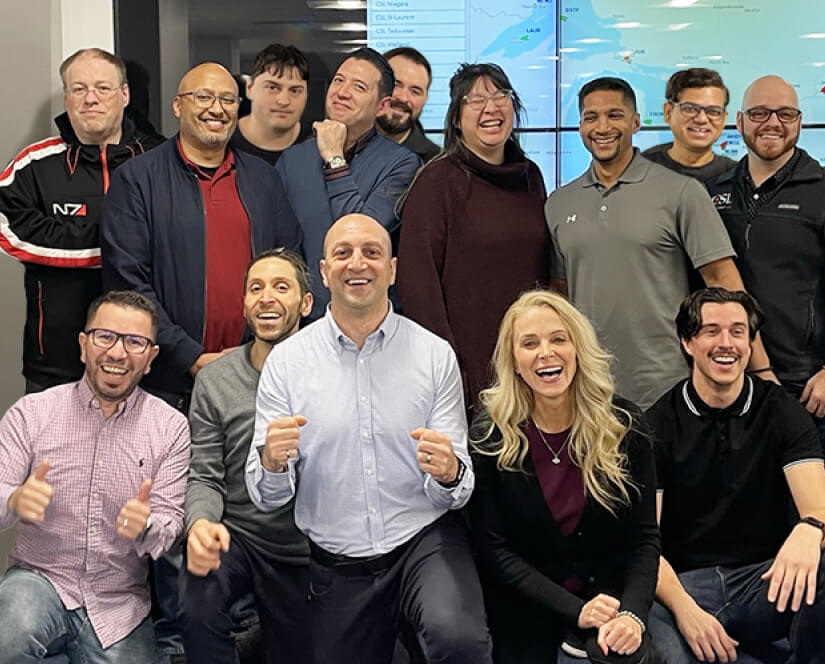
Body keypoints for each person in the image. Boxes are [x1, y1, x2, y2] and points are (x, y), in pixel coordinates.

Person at [246, 214, 491, 663]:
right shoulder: (286, 363)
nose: (357, 263)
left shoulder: (434, 355)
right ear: (324, 273)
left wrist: (450, 472)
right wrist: (272, 464)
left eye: (372, 253)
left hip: (423, 541)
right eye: (343, 253)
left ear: (392, 270)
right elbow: (267, 498)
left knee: (458, 638)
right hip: (337, 559)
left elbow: (457, 491)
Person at [647, 288, 825, 664]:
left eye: (737, 331)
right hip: (684, 587)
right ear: (687, 342)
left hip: (765, 582)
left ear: (750, 344)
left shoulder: (782, 412)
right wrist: (686, 611)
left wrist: (809, 530)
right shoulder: (656, 425)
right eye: (711, 331)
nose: (726, 343)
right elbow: (644, 545)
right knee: (645, 620)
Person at [546, 76, 769, 410]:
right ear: (580, 126)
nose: (602, 127)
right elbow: (560, 297)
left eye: (615, 115)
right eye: (591, 117)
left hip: (666, 386)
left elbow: (724, 281)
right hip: (588, 386)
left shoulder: (682, 192)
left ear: (636, 123)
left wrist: (760, 369)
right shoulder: (558, 203)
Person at [468, 290, 661, 663]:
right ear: (514, 361)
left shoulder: (624, 425)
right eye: (530, 343)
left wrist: (633, 615)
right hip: (526, 610)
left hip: (609, 603)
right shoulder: (490, 436)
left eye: (559, 339)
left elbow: (644, 538)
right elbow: (494, 549)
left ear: (578, 349)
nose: (546, 353)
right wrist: (576, 610)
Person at [0, 290, 189, 663]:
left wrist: (147, 526)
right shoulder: (31, 413)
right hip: (39, 580)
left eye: (134, 342)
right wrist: (15, 500)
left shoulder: (171, 428)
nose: (118, 353)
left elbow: (170, 525)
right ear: (83, 345)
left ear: (150, 358)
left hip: (119, 603)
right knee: (8, 635)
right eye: (105, 336)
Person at [102, 62, 303, 412]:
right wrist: (190, 356)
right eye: (204, 97)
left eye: (227, 99)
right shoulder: (137, 180)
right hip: (165, 382)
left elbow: (291, 265)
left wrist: (259, 351)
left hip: (255, 375)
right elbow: (127, 283)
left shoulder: (263, 179)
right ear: (178, 105)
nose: (217, 108)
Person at [708, 74, 825, 450]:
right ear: (739, 121)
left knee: (810, 487)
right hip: (730, 377)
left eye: (785, 114)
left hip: (807, 387)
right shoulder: (716, 193)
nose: (772, 123)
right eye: (759, 113)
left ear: (800, 123)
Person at [0, 48, 162, 394]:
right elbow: (7, 228)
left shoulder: (160, 160)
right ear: (67, 97)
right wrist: (115, 246)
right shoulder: (34, 165)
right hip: (56, 363)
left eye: (103, 88)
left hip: (148, 362)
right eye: (79, 89)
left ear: (124, 94)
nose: (91, 99)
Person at [180, 249, 314, 663]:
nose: (266, 297)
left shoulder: (331, 375)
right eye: (256, 288)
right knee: (196, 604)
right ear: (244, 305)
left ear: (306, 304)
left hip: (306, 550)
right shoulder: (215, 380)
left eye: (281, 287)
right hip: (239, 537)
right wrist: (200, 524)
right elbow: (204, 474)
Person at [396, 63, 550, 413]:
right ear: (455, 117)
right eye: (476, 100)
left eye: (500, 96)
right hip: (465, 368)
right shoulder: (437, 182)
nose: (491, 108)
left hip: (529, 361)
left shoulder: (530, 176)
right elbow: (419, 286)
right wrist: (448, 368)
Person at [276, 47, 420, 315]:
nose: (342, 92)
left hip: (370, 317)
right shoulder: (292, 160)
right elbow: (283, 247)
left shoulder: (402, 164)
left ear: (382, 106)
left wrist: (334, 158)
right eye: (339, 80)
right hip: (306, 319)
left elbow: (361, 236)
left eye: (359, 87)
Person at [642, 68, 736, 182]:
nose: (701, 119)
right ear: (668, 112)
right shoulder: (640, 169)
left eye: (713, 111)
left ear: (724, 118)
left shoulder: (737, 176)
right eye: (690, 109)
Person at [231, 44, 311, 166]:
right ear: (250, 88)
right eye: (273, 88)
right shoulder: (224, 142)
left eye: (294, 91)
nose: (284, 101)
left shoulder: (317, 145)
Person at [378, 46, 440, 163]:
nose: (403, 98)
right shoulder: (343, 143)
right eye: (395, 84)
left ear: (425, 99)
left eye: (415, 91)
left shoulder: (435, 164)